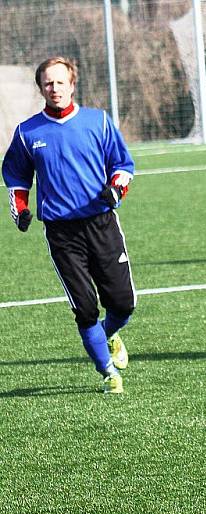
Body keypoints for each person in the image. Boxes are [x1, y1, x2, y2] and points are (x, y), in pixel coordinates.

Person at [2, 57, 135, 394]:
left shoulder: (98, 122)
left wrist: (116, 188)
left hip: (102, 223)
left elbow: (123, 163)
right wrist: (21, 208)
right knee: (85, 308)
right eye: (48, 83)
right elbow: (16, 177)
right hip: (62, 234)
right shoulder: (27, 132)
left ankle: (110, 334)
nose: (55, 88)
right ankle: (108, 372)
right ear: (41, 88)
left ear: (72, 84)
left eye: (60, 82)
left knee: (123, 302)